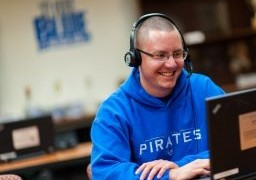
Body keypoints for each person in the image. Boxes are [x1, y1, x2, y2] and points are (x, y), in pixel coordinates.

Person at [90, 13, 225, 180]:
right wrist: (171, 175)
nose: (171, 64)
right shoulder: (113, 112)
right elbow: (106, 173)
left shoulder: (204, 89)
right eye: (160, 55)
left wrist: (181, 165)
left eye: (177, 54)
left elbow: (236, 142)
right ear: (136, 58)